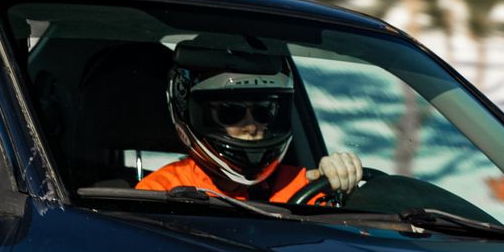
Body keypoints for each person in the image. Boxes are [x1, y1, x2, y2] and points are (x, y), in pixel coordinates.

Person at [136, 50, 361, 202]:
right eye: (231, 112)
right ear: (196, 115)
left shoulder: (302, 183)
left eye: (263, 112)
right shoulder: (161, 191)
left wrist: (341, 177)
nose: (251, 126)